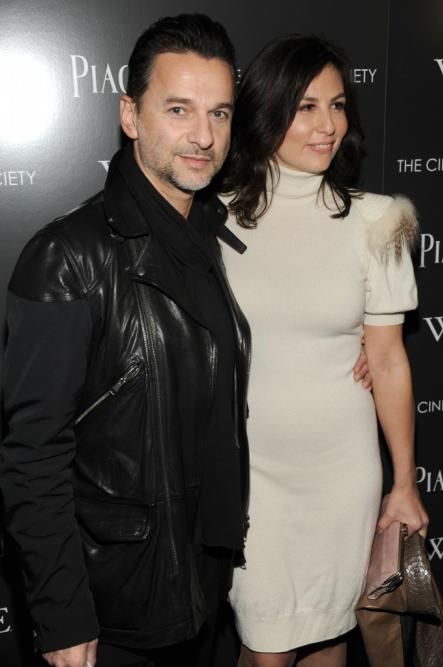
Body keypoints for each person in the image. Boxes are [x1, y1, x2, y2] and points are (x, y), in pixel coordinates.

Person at [0, 14, 250, 667]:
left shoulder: (210, 239)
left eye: (219, 113)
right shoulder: (66, 256)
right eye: (179, 109)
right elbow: (32, 454)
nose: (204, 136)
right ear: (131, 115)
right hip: (114, 608)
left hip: (202, 590)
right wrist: (61, 613)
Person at [219, 34, 429, 667]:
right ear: (267, 112)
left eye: (337, 106)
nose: (328, 125)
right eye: (306, 107)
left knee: (328, 638)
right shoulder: (209, 221)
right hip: (250, 479)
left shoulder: (379, 221)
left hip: (341, 472)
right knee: (265, 648)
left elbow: (387, 359)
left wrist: (403, 483)